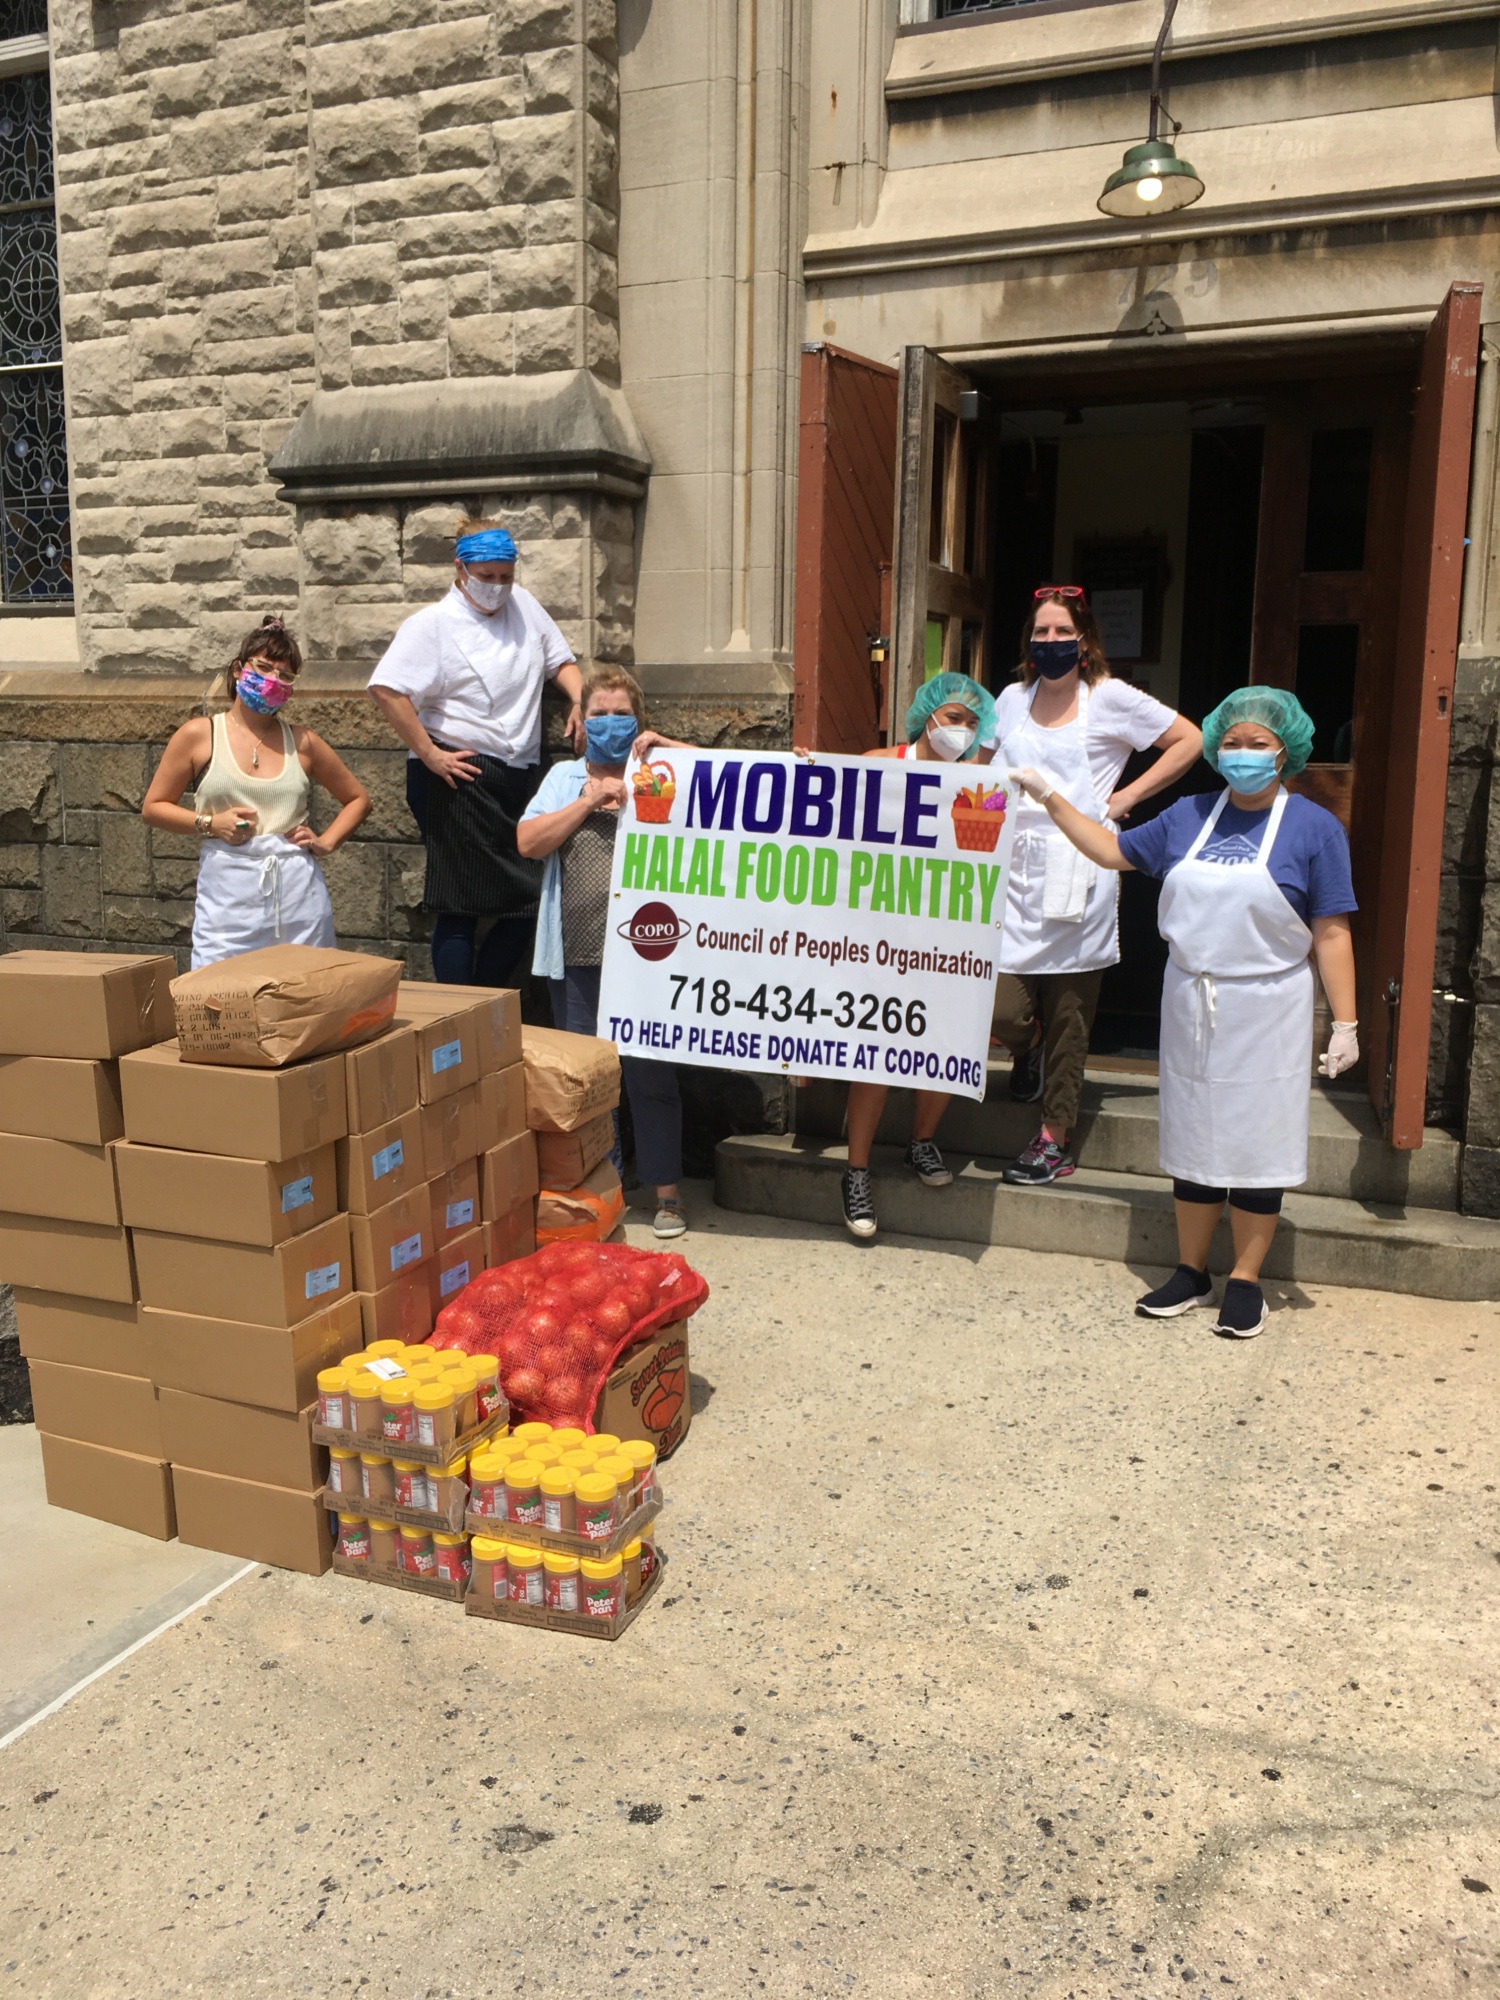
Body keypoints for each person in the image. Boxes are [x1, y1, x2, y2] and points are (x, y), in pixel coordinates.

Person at [1009, 686, 1359, 1338]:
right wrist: (1049, 797)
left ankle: (1246, 1278)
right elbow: (1111, 851)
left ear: (1287, 751)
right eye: (1232, 741)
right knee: (1195, 1136)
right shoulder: (1187, 815)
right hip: (1192, 997)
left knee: (1257, 1144)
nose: (1243, 753)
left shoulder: (1315, 828)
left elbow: (1331, 931)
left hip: (1269, 1005)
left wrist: (1346, 1023)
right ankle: (1191, 1270)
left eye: (1259, 743)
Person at [986, 587, 1202, 1186]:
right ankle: (1024, 1049)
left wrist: (1126, 797)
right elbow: (976, 770)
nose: (1050, 643)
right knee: (1002, 1007)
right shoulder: (1009, 699)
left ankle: (1055, 1136)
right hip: (1014, 868)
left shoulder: (1109, 698)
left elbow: (1190, 739)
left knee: (1070, 1016)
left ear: (1084, 642)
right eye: (1041, 633)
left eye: (1062, 633)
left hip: (1079, 865)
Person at [805, 672, 998, 1242]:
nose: (960, 730)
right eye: (952, 717)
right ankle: (856, 1172)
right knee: (876, 1054)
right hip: (877, 937)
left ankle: (920, 1142)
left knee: (944, 1040)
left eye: (970, 721)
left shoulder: (979, 780)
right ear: (927, 716)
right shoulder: (877, 761)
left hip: (947, 940)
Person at [366, 518, 586, 987]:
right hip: (456, 772)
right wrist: (429, 754)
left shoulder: (524, 606)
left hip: (518, 772)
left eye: (505, 576)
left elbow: (560, 661)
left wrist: (579, 700)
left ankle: (482, 999)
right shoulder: (432, 624)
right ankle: (460, 1008)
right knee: (460, 901)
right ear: (461, 570)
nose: (497, 587)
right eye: (486, 577)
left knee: (527, 899)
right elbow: (387, 690)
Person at [517, 667, 693, 1238]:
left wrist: (669, 748)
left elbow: (726, 785)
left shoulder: (660, 773)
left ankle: (666, 1195)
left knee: (651, 1075)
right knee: (588, 1084)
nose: (610, 723)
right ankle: (605, 1195)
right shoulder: (564, 778)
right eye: (599, 713)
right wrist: (589, 801)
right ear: (581, 722)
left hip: (650, 958)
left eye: (622, 713)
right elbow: (528, 841)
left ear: (639, 720)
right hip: (575, 958)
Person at [142, 615, 370, 969]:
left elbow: (358, 799)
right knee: (218, 994)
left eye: (285, 676)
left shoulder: (303, 741)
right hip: (228, 898)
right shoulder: (199, 735)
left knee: (305, 994)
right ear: (238, 669)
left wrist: (325, 843)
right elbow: (154, 807)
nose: (272, 681)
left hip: (298, 895)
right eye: (263, 668)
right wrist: (210, 823)